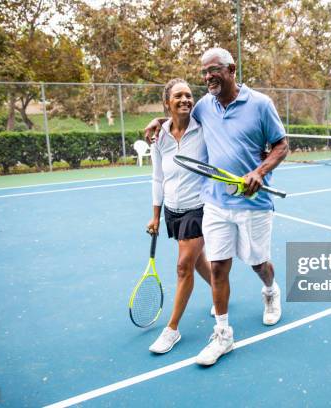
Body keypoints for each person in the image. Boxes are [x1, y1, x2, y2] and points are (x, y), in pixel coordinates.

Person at [145, 48, 289, 366]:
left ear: (231, 69)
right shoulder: (204, 107)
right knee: (219, 268)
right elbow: (178, 117)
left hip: (254, 204)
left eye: (214, 70)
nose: (208, 76)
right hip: (215, 203)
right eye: (204, 72)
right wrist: (160, 120)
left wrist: (259, 172)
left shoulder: (261, 105)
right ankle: (223, 334)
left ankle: (270, 290)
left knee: (257, 263)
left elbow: (282, 145)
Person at [146, 78, 213, 354]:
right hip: (173, 209)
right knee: (197, 262)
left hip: (199, 206)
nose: (185, 99)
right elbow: (157, 178)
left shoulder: (204, 127)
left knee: (183, 266)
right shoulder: (159, 136)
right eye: (178, 96)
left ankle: (171, 329)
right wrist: (155, 216)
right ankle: (219, 287)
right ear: (167, 102)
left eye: (188, 95)